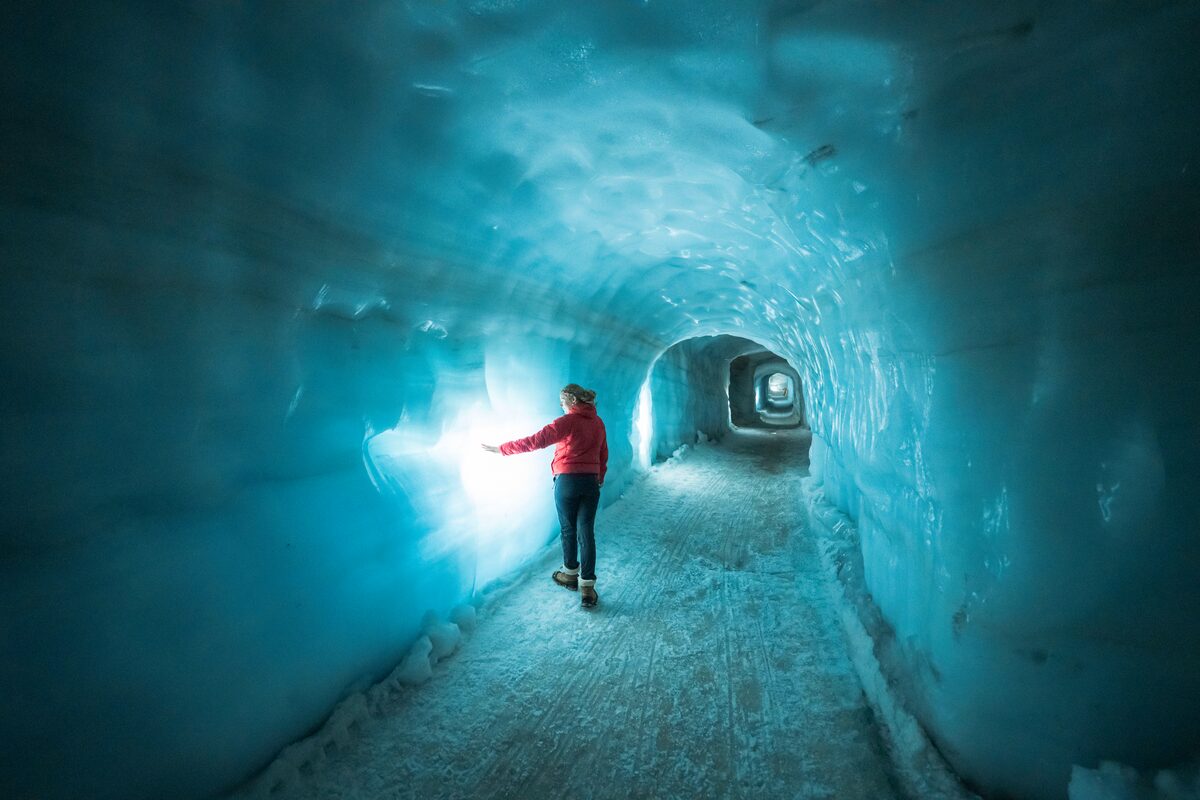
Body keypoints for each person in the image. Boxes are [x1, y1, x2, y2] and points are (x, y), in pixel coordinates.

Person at [481, 384, 608, 608]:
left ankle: (569, 574)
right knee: (586, 532)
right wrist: (599, 477)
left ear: (572, 401)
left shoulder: (566, 422)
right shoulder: (598, 423)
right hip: (590, 483)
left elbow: (535, 441)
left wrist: (502, 449)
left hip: (566, 481)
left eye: (562, 401)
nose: (561, 405)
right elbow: (603, 454)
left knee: (568, 529)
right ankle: (587, 589)